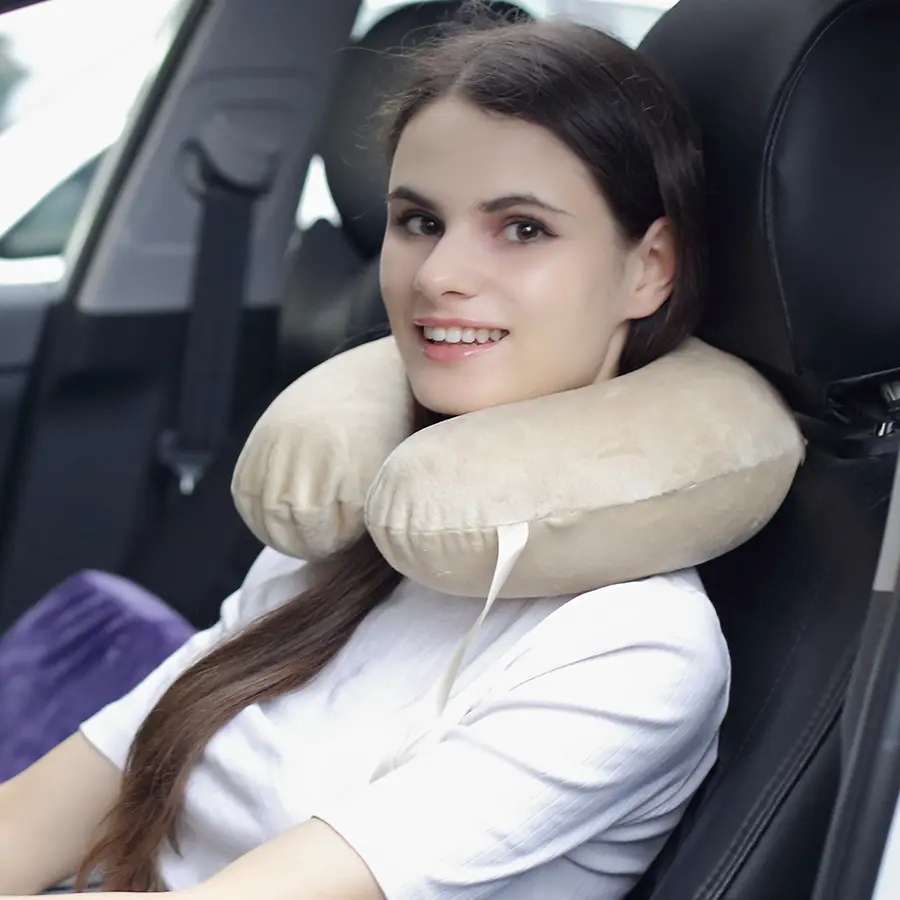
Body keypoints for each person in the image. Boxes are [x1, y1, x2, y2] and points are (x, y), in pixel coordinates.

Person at [0, 14, 729, 900]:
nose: (437, 275)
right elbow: (34, 816)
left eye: (522, 229)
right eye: (419, 221)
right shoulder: (354, 522)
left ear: (650, 268)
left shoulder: (636, 647)